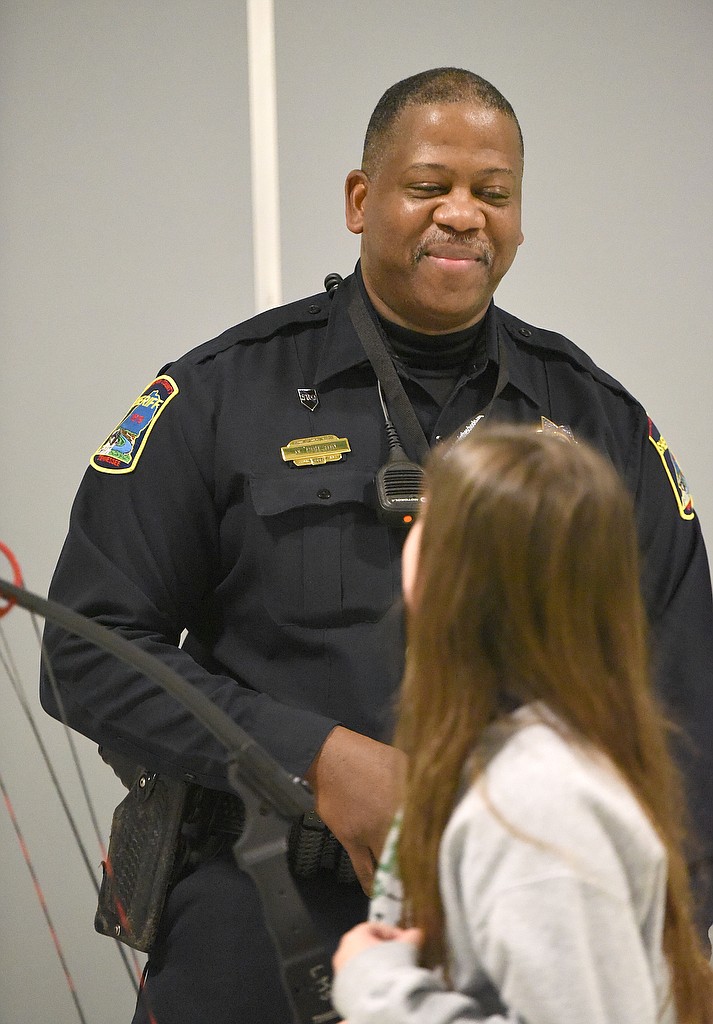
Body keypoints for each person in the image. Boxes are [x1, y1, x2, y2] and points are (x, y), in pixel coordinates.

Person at [39, 67, 713, 1024]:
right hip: (263, 900)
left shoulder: (593, 418)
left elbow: (685, 695)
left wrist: (680, 933)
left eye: (493, 193)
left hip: (526, 922)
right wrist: (317, 760)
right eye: (429, 185)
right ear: (362, 201)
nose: (462, 216)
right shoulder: (223, 396)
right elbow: (84, 650)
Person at [332, 425, 713, 1024]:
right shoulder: (529, 765)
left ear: (450, 579)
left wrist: (377, 988)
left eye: (429, 525)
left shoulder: (536, 806)